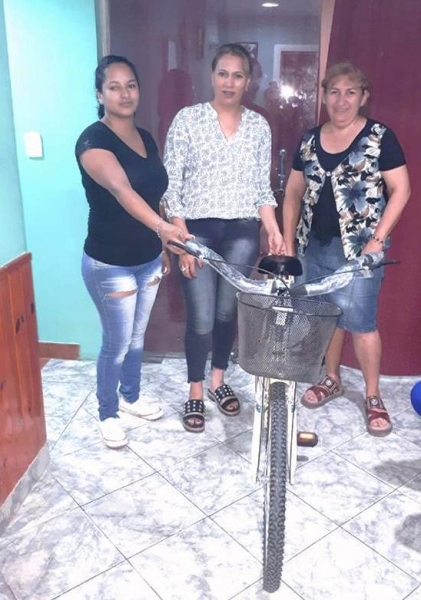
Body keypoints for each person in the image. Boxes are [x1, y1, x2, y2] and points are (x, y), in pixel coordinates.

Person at [282, 61, 411, 436]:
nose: (341, 100)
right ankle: (332, 378)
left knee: (362, 323)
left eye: (350, 92)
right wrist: (289, 242)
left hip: (359, 250)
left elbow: (401, 190)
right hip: (313, 244)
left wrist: (377, 240)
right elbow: (293, 193)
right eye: (334, 92)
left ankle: (373, 396)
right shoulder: (309, 140)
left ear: (363, 97)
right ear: (323, 96)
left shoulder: (379, 137)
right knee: (326, 316)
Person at [163, 43, 285, 433]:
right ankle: (195, 390)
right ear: (211, 75)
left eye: (238, 75)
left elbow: (261, 189)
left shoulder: (259, 126)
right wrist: (182, 239)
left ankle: (218, 380)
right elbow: (171, 186)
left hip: (241, 232)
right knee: (200, 317)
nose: (229, 82)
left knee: (226, 313)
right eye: (222, 73)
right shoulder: (188, 120)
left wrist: (273, 229)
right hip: (196, 231)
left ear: (248, 81)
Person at [75, 55, 189, 449]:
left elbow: (154, 194)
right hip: (110, 263)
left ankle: (131, 396)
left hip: (148, 258)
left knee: (137, 336)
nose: (124, 94)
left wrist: (163, 246)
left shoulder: (145, 137)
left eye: (131, 85)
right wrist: (165, 229)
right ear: (99, 94)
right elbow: (122, 190)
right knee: (117, 341)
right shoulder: (92, 142)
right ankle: (107, 413)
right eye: (114, 87)